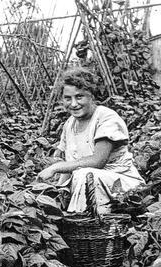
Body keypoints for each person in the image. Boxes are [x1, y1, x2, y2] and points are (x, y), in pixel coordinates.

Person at [37, 67, 144, 214]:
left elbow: (97, 161)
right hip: (87, 186)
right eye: (68, 98)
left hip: (120, 186)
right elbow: (69, 164)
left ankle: (81, 221)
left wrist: (55, 167)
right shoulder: (70, 124)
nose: (73, 104)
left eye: (79, 97)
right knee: (45, 196)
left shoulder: (106, 118)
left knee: (86, 175)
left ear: (91, 96)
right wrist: (56, 191)